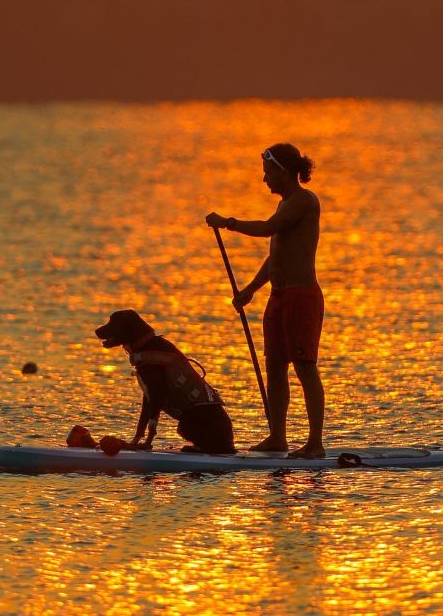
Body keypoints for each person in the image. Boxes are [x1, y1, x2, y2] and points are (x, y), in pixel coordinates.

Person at [206, 143, 325, 458]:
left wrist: (228, 223)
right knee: (274, 366)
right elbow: (276, 256)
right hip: (279, 297)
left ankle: (315, 444)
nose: (264, 180)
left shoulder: (305, 201)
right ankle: (277, 438)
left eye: (267, 172)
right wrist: (250, 290)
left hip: (301, 297)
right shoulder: (284, 204)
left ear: (282, 171)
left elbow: (268, 229)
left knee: (304, 367)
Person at [94, 308, 236, 454]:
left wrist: (149, 439)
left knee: (185, 428)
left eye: (113, 326)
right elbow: (151, 397)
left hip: (212, 431)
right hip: (216, 431)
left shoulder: (152, 355)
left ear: (127, 331)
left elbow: (156, 397)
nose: (104, 330)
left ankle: (205, 448)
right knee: (184, 422)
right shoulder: (152, 350)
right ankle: (203, 446)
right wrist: (138, 437)